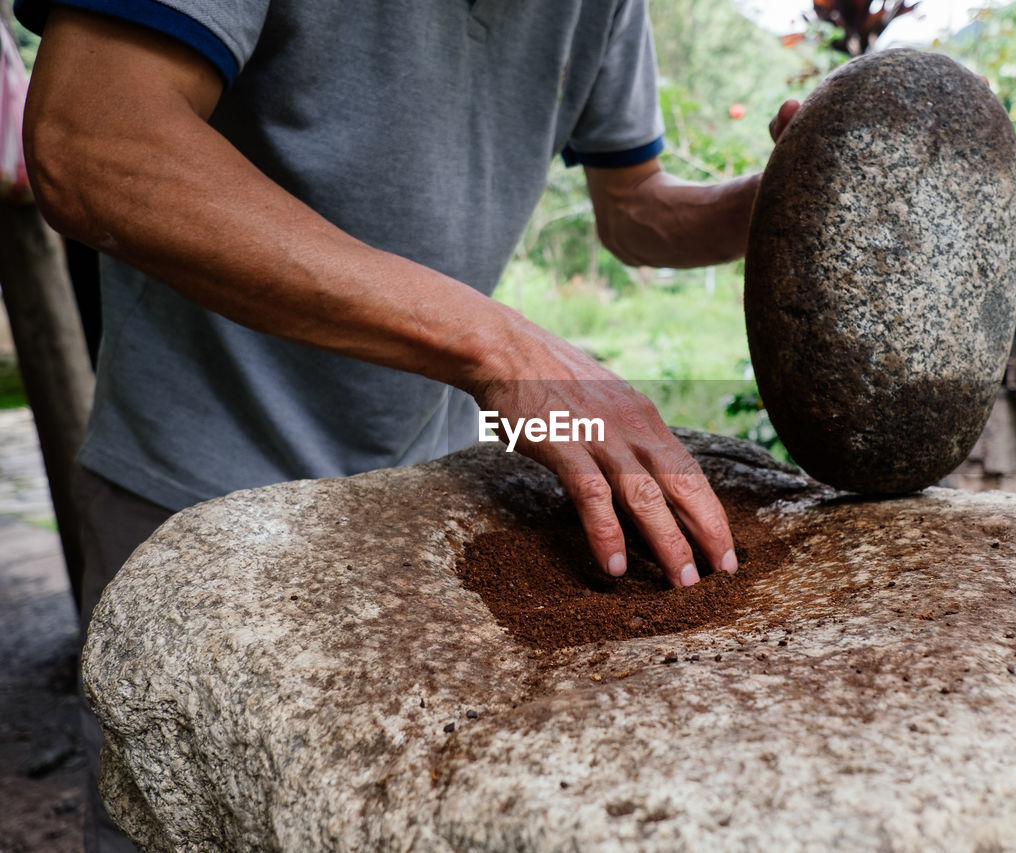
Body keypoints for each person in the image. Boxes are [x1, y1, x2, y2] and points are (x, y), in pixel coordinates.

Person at [16, 0, 798, 848]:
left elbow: (635, 205)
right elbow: (93, 140)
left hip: (419, 493)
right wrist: (498, 346)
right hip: (194, 485)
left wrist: (785, 194)